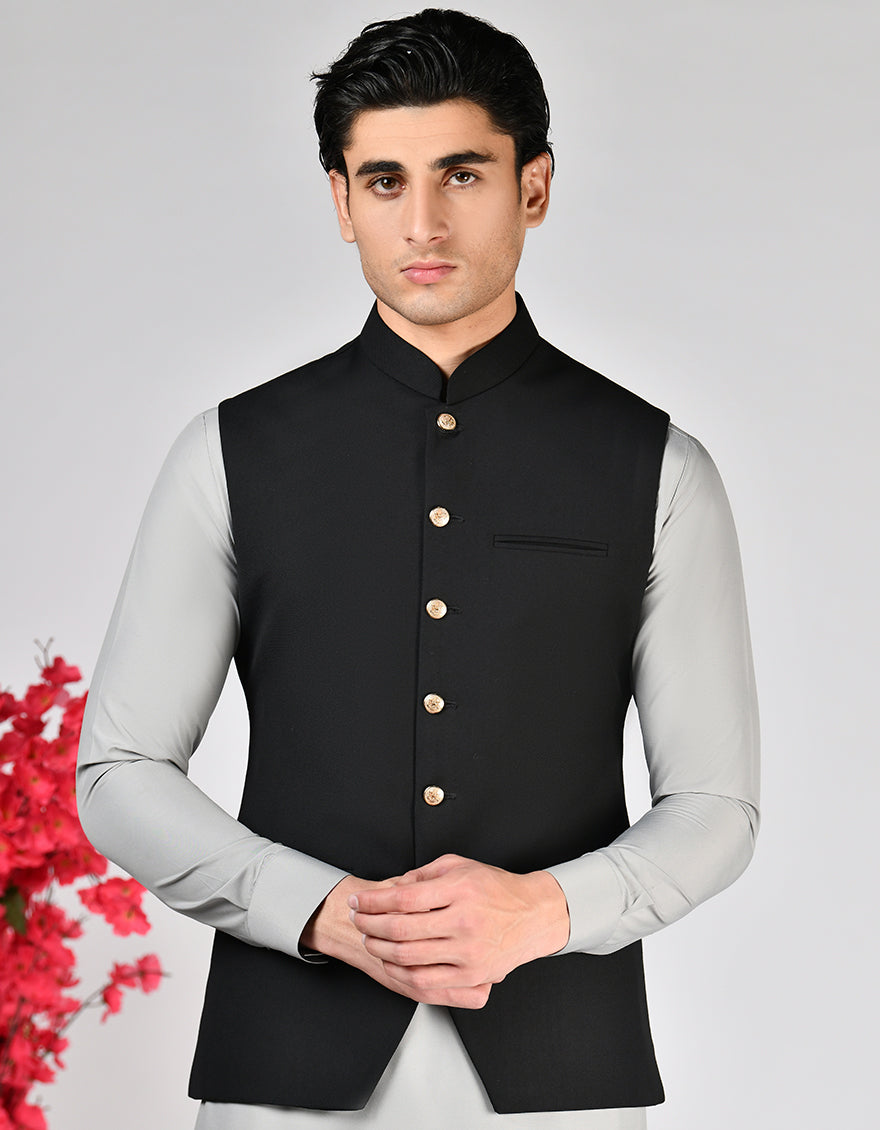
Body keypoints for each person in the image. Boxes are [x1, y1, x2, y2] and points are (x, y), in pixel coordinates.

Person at [76, 9, 759, 1129]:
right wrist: (319, 908)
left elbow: (716, 806)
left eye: (463, 174)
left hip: (562, 1090)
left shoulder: (658, 467)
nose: (424, 222)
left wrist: (544, 910)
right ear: (342, 202)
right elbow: (120, 768)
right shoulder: (231, 452)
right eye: (385, 181)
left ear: (534, 186)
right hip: (280, 1083)